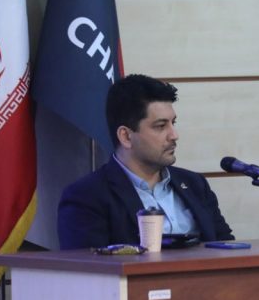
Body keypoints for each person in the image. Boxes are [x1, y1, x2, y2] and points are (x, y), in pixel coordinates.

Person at [58, 74, 234, 249]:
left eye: (173, 123)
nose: (174, 135)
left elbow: (226, 248)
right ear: (126, 136)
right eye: (161, 126)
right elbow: (89, 263)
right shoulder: (87, 197)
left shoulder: (195, 185)